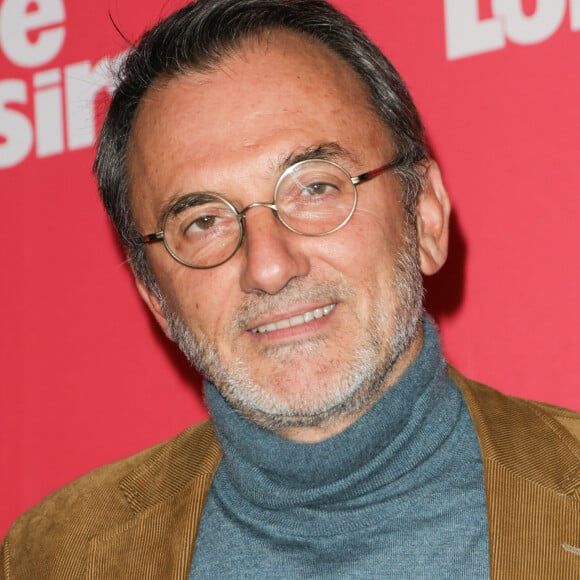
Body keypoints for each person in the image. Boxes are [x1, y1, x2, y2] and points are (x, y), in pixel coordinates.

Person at [2, 0, 580, 578]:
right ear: (156, 295)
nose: (269, 266)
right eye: (204, 221)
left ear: (424, 216)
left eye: (315, 188)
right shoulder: (50, 558)